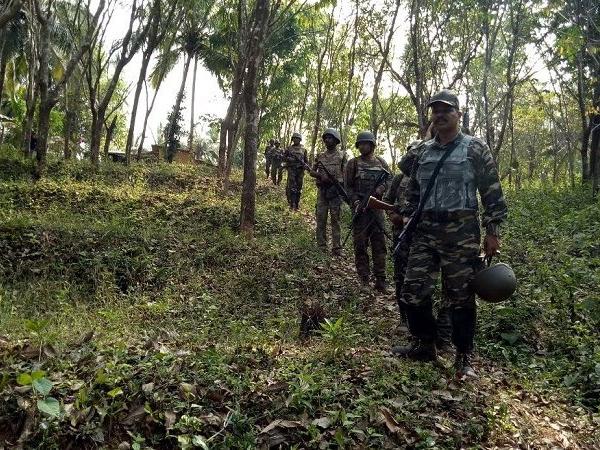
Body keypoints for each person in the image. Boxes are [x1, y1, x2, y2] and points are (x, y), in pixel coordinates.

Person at [393, 89, 508, 378]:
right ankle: (425, 344)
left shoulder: (475, 148)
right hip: (425, 231)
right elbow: (411, 183)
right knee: (413, 290)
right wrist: (407, 213)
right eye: (435, 110)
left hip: (462, 234)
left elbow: (492, 191)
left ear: (459, 114)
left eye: (446, 110)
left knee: (460, 297)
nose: (440, 115)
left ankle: (463, 356)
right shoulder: (422, 150)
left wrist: (492, 231)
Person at [387, 135, 453, 349]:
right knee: (408, 283)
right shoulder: (401, 178)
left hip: (444, 235)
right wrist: (397, 217)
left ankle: (443, 337)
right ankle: (414, 330)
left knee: (450, 290)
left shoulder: (445, 172)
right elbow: (390, 204)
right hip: (409, 235)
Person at [344, 131, 391, 292]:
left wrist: (380, 189)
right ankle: (364, 278)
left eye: (366, 143)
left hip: (377, 208)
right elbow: (348, 186)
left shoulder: (381, 162)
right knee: (360, 244)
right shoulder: (353, 163)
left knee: (379, 244)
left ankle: (381, 279)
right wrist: (355, 201)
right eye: (360, 144)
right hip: (360, 208)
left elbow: (390, 180)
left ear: (372, 145)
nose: (363, 146)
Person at [310, 128, 347, 256]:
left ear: (336, 140)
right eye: (325, 138)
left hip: (335, 192)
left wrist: (337, 182)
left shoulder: (342, 156)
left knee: (335, 220)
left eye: (330, 138)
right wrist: (320, 177)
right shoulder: (320, 156)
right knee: (321, 218)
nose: (327, 140)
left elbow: (346, 174)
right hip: (322, 191)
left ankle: (337, 248)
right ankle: (321, 246)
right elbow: (311, 171)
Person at [284, 132, 308, 210]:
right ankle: (292, 204)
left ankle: (297, 204)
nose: (296, 140)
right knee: (292, 187)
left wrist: (305, 166)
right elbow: (283, 157)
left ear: (300, 139)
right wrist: (289, 159)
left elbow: (306, 161)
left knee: (299, 187)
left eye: (297, 138)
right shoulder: (289, 148)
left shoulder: (303, 149)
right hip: (292, 170)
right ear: (292, 139)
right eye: (294, 138)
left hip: (300, 171)